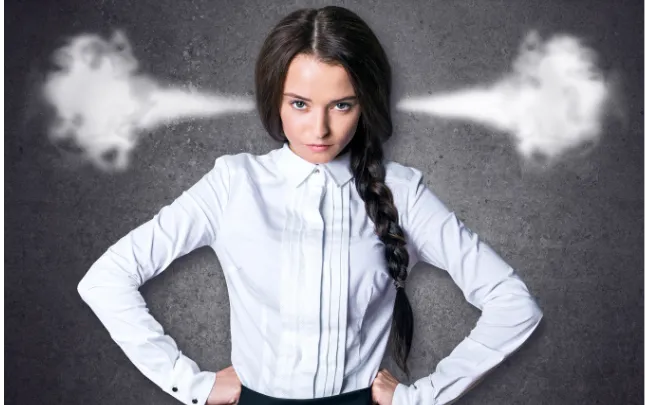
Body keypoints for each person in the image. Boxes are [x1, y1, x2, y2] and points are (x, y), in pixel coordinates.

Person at [77, 5, 543, 405]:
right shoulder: (233, 185)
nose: (319, 129)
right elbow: (107, 279)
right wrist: (190, 384)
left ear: (366, 105)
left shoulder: (402, 194)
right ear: (274, 100)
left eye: (342, 105)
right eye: (300, 103)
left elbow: (513, 304)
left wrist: (422, 396)